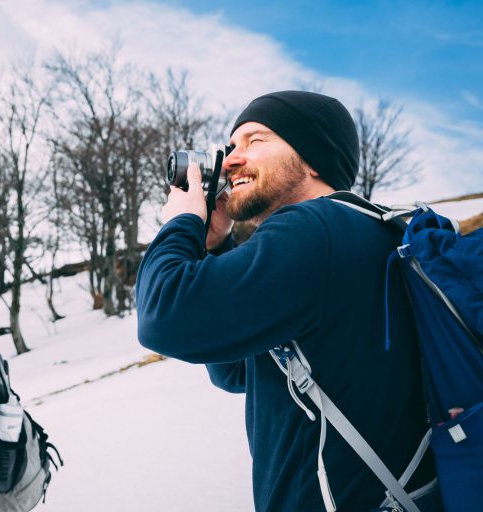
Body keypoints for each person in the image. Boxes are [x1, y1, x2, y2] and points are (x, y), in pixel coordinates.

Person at [136, 91, 439, 511]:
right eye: (232, 144)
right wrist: (218, 243)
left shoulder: (314, 230)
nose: (229, 160)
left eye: (255, 141)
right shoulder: (360, 231)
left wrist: (183, 221)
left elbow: (163, 317)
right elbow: (235, 371)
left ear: (313, 159)